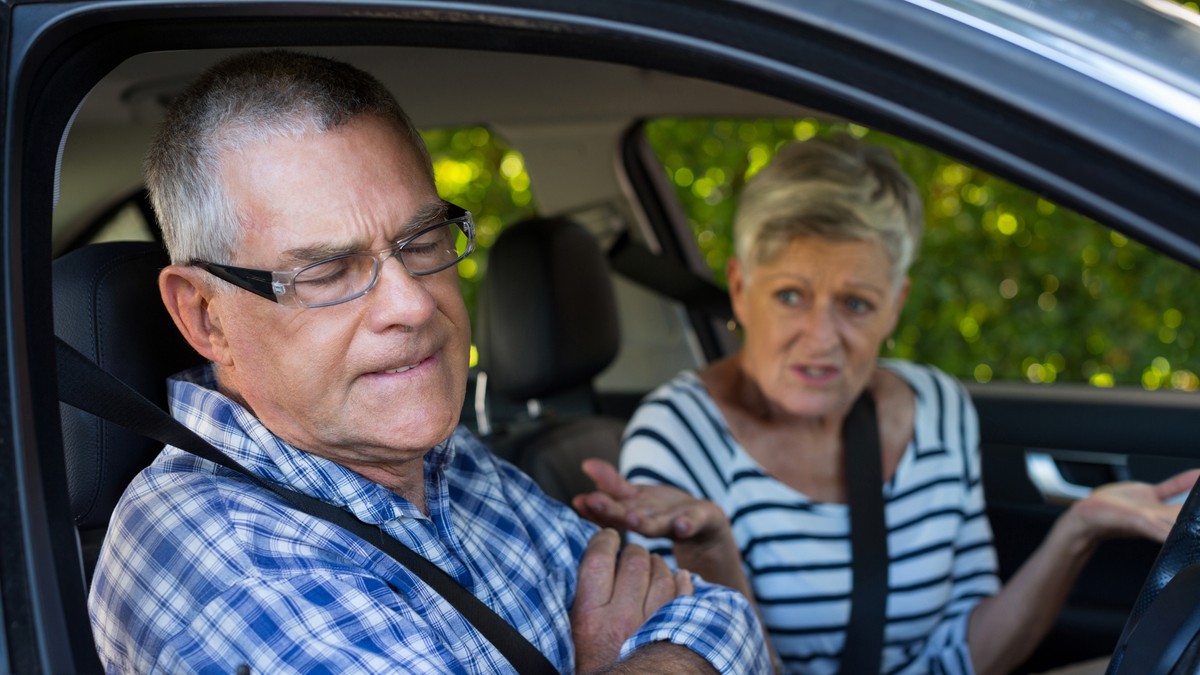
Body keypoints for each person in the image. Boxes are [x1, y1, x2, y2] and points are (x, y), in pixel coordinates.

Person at [85, 50, 770, 674]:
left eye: (421, 241)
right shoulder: (227, 560)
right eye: (326, 271)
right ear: (205, 315)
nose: (411, 305)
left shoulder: (442, 461)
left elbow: (719, 616)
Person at [572, 135, 1198, 675]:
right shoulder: (677, 431)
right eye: (791, 295)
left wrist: (1079, 529)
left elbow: (967, 654)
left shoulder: (937, 407)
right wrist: (712, 550)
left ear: (894, 307)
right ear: (740, 288)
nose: (821, 338)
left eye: (856, 304)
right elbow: (700, 663)